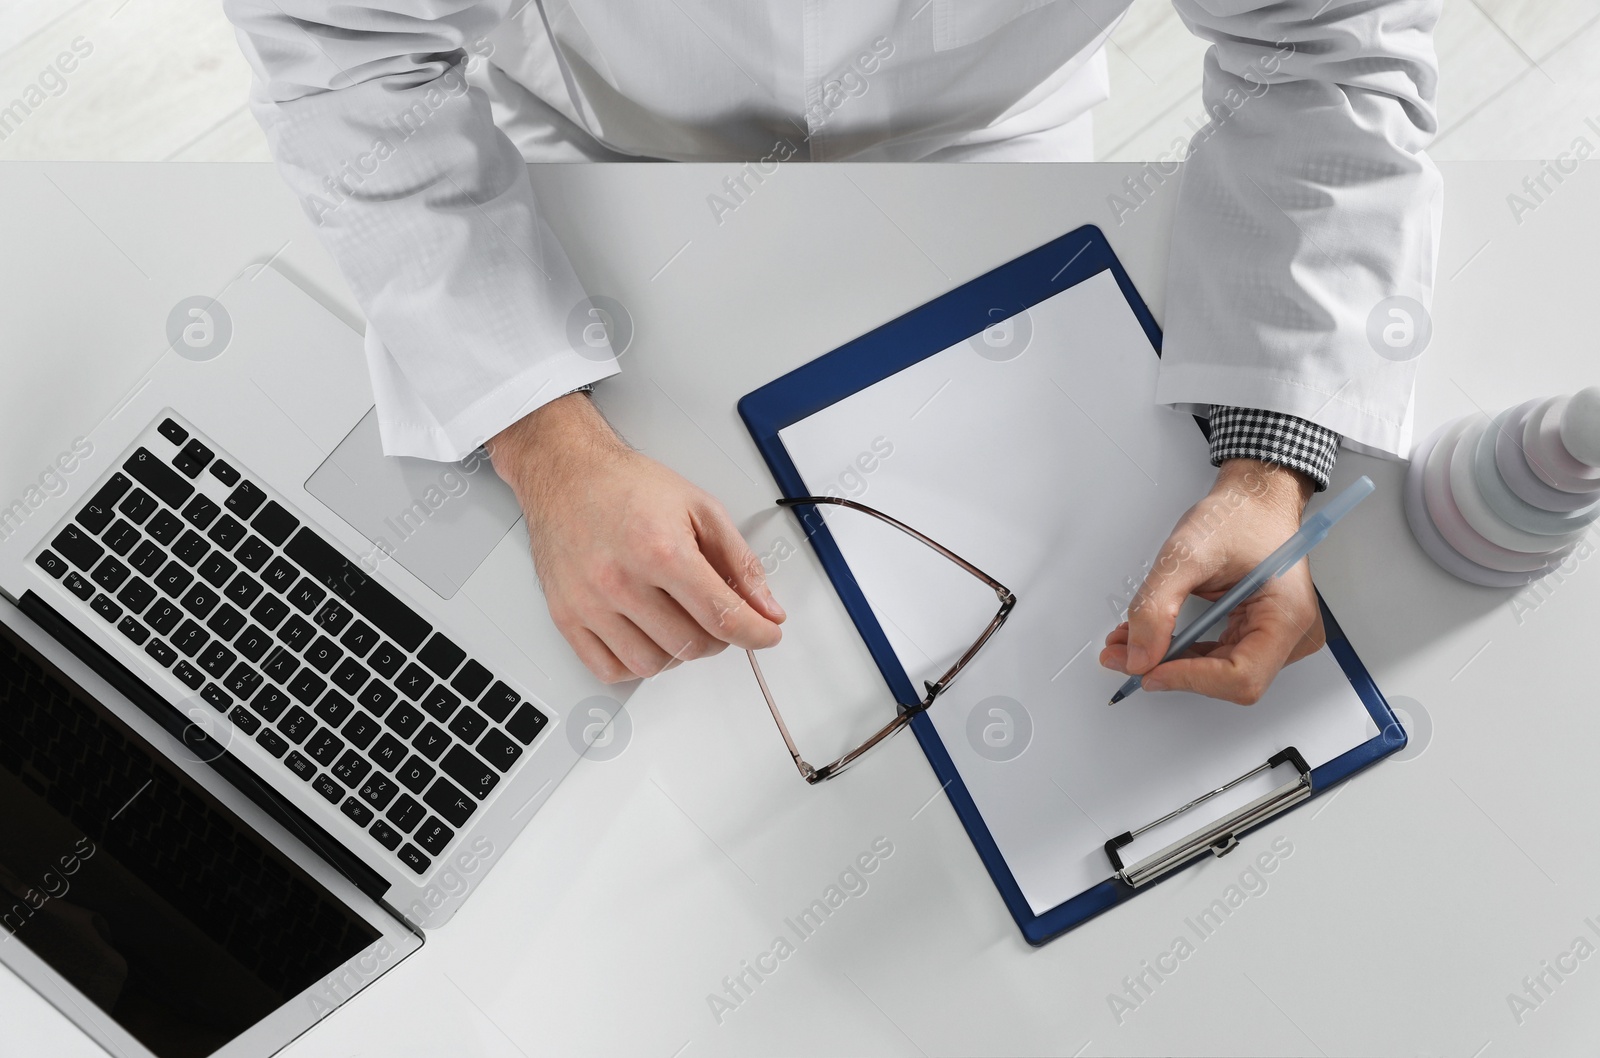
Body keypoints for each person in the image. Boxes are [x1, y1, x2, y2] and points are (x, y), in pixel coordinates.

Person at [223, 0, 1441, 704]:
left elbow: (1331, 48)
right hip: (603, 148)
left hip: (985, 146)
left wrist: (1267, 460)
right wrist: (544, 441)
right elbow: (343, 50)